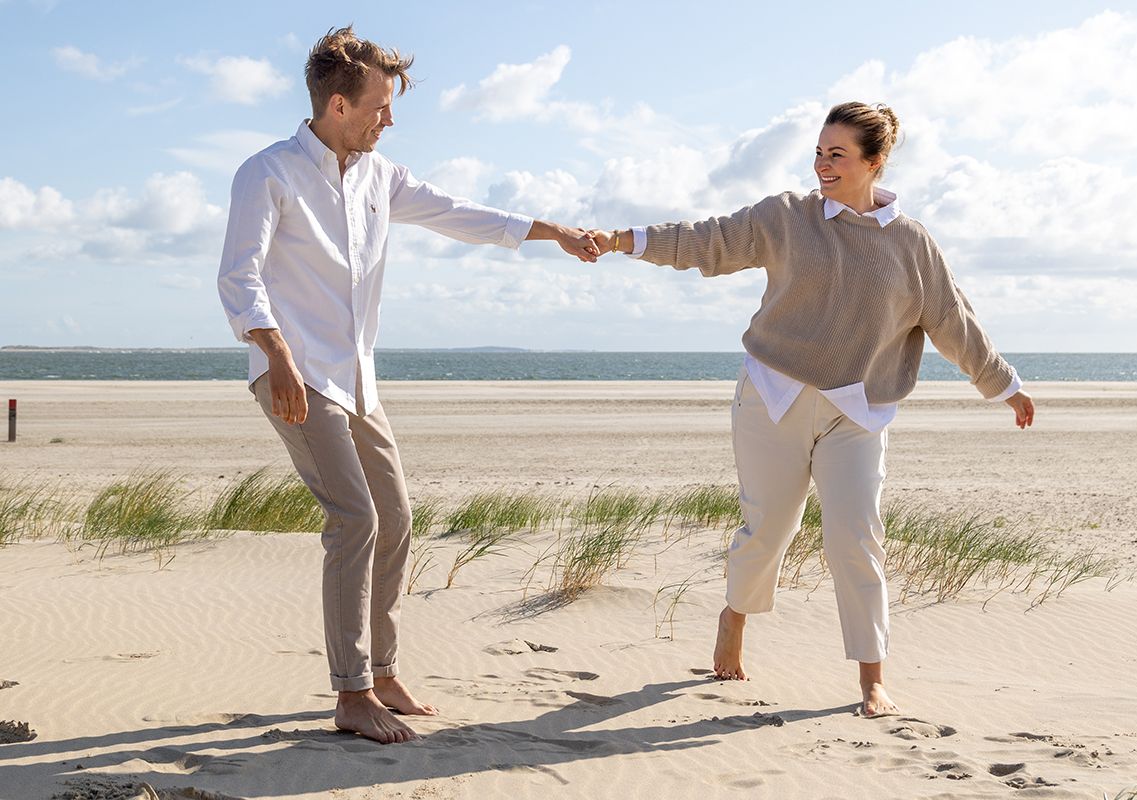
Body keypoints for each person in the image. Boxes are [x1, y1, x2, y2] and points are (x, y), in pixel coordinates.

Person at [588, 102, 1035, 718]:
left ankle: (872, 677)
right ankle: (735, 614)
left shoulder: (911, 243)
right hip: (773, 395)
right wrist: (622, 240)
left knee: (856, 536)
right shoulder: (786, 217)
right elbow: (708, 240)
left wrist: (1003, 384)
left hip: (859, 411)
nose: (822, 165)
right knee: (767, 528)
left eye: (838, 155)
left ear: (874, 163)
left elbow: (952, 321)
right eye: (820, 152)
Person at [216, 26, 599, 744]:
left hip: (357, 377)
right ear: (337, 104)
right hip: (294, 375)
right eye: (379, 107)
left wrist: (556, 232)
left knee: (395, 519)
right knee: (354, 519)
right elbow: (240, 275)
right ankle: (351, 690)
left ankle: (384, 670)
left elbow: (461, 215)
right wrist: (275, 351)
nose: (389, 120)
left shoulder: (378, 176)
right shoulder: (265, 172)